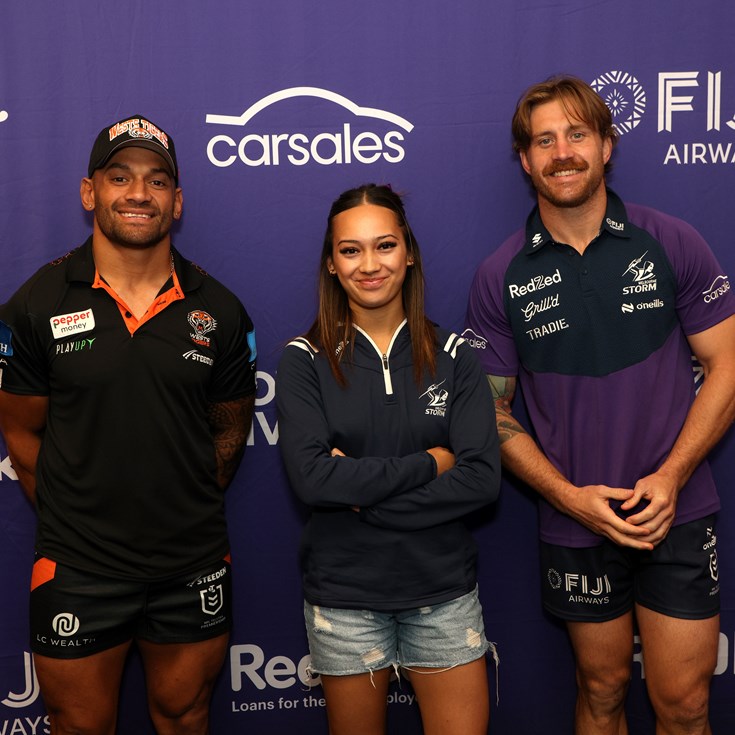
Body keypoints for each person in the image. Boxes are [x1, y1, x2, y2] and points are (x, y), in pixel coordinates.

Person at [465, 75, 735, 734]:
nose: (562, 152)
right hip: (576, 519)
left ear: (606, 146)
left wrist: (671, 477)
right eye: (544, 140)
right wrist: (568, 497)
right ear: (524, 159)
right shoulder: (500, 274)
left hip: (676, 509)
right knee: (602, 689)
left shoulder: (670, 240)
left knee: (685, 704)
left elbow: (727, 365)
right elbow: (489, 413)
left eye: (577, 134)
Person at [0, 115, 257, 735]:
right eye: (120, 177)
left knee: (185, 716)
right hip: (77, 567)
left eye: (157, 180)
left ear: (177, 201)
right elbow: (22, 436)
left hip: (191, 563)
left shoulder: (220, 311)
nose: (139, 193)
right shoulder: (36, 304)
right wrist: (78, 519)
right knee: (79, 726)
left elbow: (229, 435)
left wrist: (175, 510)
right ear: (89, 192)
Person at [276, 184, 500, 735]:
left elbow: (481, 480)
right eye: (350, 250)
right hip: (345, 597)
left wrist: (362, 498)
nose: (370, 264)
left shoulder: (455, 356)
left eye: (385, 245)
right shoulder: (303, 360)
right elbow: (314, 480)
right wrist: (431, 463)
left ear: (409, 252)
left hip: (442, 592)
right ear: (331, 264)